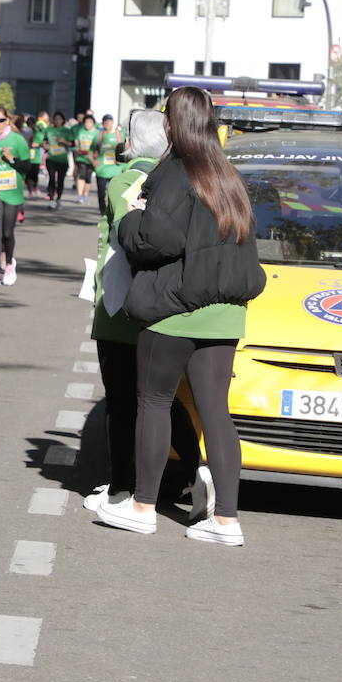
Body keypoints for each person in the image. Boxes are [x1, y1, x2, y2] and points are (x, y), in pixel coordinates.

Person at [97, 86, 266, 545]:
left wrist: (130, 217)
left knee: (153, 400)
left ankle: (142, 506)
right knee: (217, 413)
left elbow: (157, 240)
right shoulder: (228, 175)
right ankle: (227, 520)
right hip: (225, 312)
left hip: (174, 308)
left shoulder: (174, 171)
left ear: (170, 124)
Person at [83, 109, 201, 515]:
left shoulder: (124, 180)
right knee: (161, 399)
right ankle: (195, 471)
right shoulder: (182, 178)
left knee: (122, 402)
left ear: (133, 141)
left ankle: (120, 488)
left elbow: (130, 237)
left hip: (121, 306)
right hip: (164, 305)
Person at [0, 106, 29, 286]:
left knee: (8, 233)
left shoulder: (17, 140)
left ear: (7, 121)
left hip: (13, 192)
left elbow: (28, 168)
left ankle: (9, 264)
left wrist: (12, 159)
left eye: (0, 120)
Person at [93, 114, 124, 213]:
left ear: (113, 123)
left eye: (109, 122)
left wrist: (121, 159)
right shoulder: (99, 135)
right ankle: (103, 213)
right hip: (102, 169)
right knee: (101, 193)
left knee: (114, 194)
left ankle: (112, 213)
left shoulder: (119, 134)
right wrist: (93, 161)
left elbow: (125, 150)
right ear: (102, 124)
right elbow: (91, 151)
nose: (108, 125)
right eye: (105, 123)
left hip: (116, 169)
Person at [42, 111, 73, 209]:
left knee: (60, 180)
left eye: (60, 119)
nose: (58, 121)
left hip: (63, 159)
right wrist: (45, 146)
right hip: (51, 158)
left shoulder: (66, 130)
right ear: (53, 120)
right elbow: (44, 141)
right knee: (51, 178)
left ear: (63, 120)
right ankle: (51, 200)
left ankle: (58, 199)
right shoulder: (48, 129)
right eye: (56, 119)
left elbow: (72, 144)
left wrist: (64, 141)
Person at [72, 113, 100, 205]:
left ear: (93, 123)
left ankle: (86, 195)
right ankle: (80, 195)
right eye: (86, 122)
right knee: (82, 175)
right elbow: (76, 141)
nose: (88, 124)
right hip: (82, 157)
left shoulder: (97, 133)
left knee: (88, 177)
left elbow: (99, 145)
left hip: (92, 158)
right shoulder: (81, 131)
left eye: (90, 122)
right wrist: (77, 148)